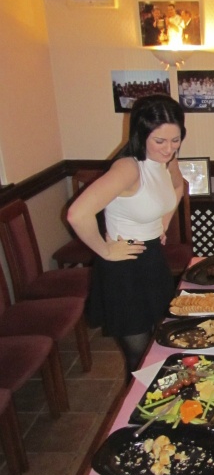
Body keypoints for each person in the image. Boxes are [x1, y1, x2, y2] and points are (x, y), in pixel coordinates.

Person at [67, 94, 186, 377]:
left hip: (152, 258)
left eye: (176, 139)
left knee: (161, 341)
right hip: (124, 268)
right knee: (139, 356)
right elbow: (77, 214)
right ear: (141, 134)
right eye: (160, 141)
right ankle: (141, 403)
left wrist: (161, 224)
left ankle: (163, 394)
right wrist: (105, 250)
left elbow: (179, 187)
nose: (169, 148)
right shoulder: (128, 168)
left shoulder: (167, 159)